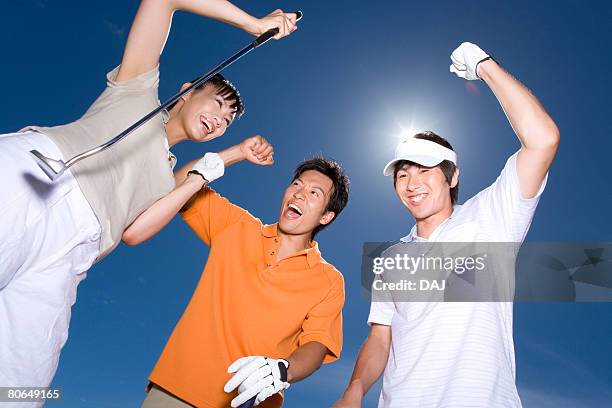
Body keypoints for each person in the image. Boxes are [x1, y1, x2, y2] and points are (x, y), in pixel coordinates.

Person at [0, 0, 298, 393]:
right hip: (37, 177)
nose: (220, 120)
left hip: (73, 252)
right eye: (218, 105)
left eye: (227, 121)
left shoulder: (167, 178)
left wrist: (232, 155)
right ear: (188, 91)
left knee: (24, 385)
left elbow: (135, 233)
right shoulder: (137, 89)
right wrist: (253, 24)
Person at [333, 42, 560, 407]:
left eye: (425, 170)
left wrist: (484, 66)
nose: (412, 183)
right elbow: (381, 337)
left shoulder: (491, 218)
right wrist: (355, 389)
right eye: (402, 174)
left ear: (452, 176)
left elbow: (543, 140)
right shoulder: (391, 259)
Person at [122, 155, 349, 407]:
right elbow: (174, 186)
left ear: (326, 216)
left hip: (251, 401)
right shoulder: (236, 226)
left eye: (314, 192)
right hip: (178, 389)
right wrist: (236, 153)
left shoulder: (329, 281)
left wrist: (285, 370)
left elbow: (317, 344)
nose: (299, 194)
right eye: (297, 184)